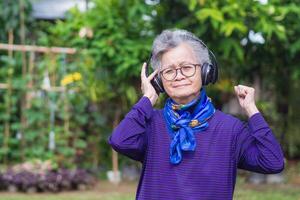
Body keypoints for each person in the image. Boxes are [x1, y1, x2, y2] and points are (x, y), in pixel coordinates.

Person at [108, 29, 284, 200]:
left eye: (186, 67)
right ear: (159, 81)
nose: (178, 76)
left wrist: (252, 110)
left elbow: (272, 162)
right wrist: (147, 98)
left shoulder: (230, 129)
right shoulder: (150, 123)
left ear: (205, 71)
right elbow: (120, 140)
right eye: (169, 71)